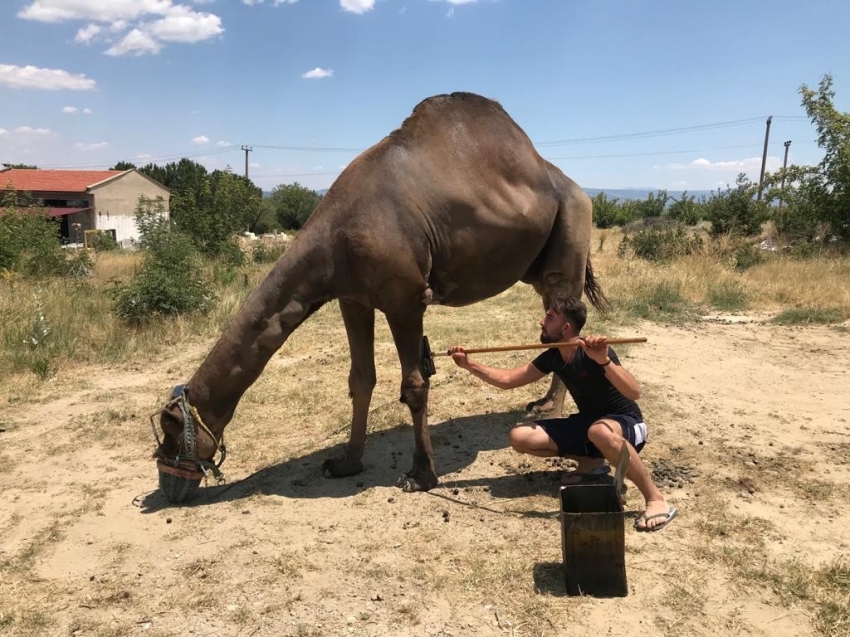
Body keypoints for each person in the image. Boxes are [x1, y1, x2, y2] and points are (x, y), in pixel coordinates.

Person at [448, 295, 677, 532]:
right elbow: (508, 380)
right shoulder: (554, 356)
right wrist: (468, 364)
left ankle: (655, 499)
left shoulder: (593, 351)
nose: (541, 322)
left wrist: (604, 360)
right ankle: (591, 464)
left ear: (566, 328)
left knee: (599, 431)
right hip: (590, 425)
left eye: (549, 318)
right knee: (520, 436)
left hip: (626, 424)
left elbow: (634, 392)